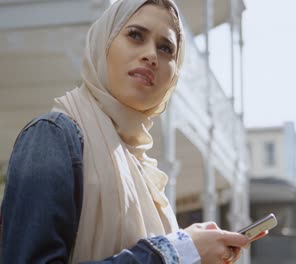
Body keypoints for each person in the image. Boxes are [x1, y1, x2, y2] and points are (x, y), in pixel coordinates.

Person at [0, 0, 264, 263]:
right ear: (104, 44)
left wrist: (193, 252)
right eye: (135, 36)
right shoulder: (52, 137)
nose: (151, 55)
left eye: (166, 48)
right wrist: (177, 251)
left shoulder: (143, 171)